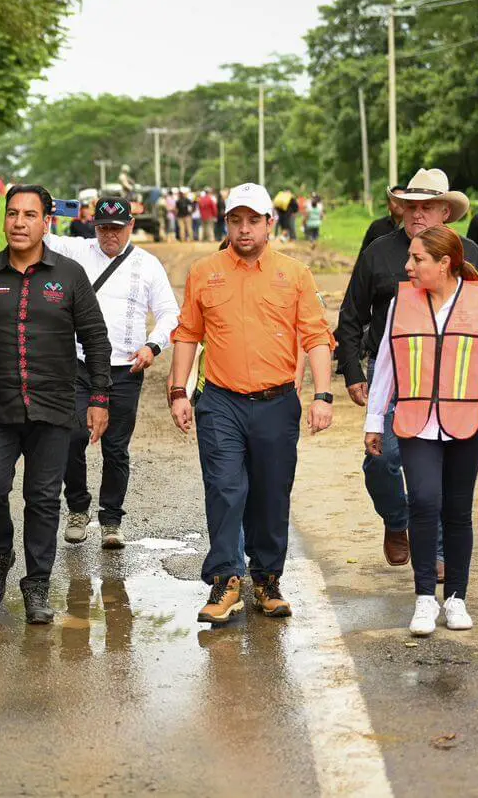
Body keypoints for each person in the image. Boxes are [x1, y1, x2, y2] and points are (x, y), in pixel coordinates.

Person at [0, 184, 112, 625]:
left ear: (46, 222)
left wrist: (98, 398)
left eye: (30, 215)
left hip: (54, 409)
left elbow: (95, 339)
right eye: (12, 213)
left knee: (42, 498)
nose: (19, 222)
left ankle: (36, 583)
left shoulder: (69, 276)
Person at [167, 182, 335, 625]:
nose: (244, 230)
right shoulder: (205, 271)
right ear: (226, 223)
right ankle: (225, 580)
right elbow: (187, 333)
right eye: (236, 221)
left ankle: (266, 580)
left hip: (277, 403)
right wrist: (178, 389)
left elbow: (316, 336)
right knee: (225, 488)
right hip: (220, 401)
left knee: (270, 493)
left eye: (253, 221)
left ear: (269, 223)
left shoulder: (295, 274)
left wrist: (322, 394)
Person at [365, 226, 478, 636]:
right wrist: (373, 421)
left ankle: (456, 597)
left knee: (458, 511)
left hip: (466, 421)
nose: (407, 266)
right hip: (415, 419)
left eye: (417, 259)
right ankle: (425, 597)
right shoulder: (400, 304)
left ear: (444, 263)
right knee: (424, 501)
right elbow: (386, 365)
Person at [335, 168, 478, 578]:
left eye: (426, 207)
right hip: (393, 372)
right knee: (382, 459)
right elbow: (351, 316)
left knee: (438, 464)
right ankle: (396, 519)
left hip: (449, 378)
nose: (416, 214)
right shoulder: (379, 253)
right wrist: (352, 372)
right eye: (410, 206)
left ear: (445, 211)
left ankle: (436, 552)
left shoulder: (470, 254)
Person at [42, 197, 180, 549]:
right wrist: (51, 206)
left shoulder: (148, 265)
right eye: (103, 227)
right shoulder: (76, 251)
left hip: (124, 369)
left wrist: (153, 346)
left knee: (116, 448)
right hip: (77, 365)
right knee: (72, 437)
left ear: (131, 227)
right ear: (94, 226)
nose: (110, 236)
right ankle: (77, 508)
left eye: (117, 229)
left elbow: (169, 312)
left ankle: (111, 519)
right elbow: (38, 235)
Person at [360, 185, 406, 256]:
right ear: (388, 204)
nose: (398, 204)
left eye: (402, 199)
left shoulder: (413, 228)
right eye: (394, 200)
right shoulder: (376, 227)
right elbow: (364, 255)